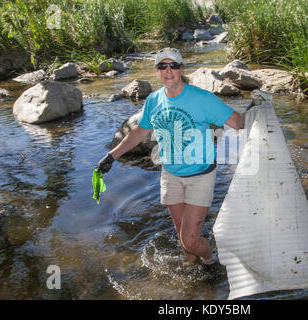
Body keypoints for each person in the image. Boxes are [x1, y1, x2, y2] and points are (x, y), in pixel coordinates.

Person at [96, 47, 244, 266]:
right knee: (180, 231)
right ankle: (191, 266)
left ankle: (211, 260)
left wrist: (257, 108)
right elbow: (139, 132)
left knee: (190, 240)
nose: (168, 70)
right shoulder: (154, 100)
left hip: (200, 175)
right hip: (170, 174)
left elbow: (237, 122)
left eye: (173, 65)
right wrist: (111, 156)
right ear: (156, 70)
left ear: (181, 69)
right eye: (162, 65)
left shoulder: (202, 98)